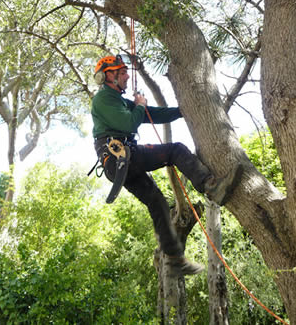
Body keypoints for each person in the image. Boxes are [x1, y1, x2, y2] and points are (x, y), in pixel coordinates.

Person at [91, 55, 243, 276]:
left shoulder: (119, 101)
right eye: (122, 72)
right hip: (120, 156)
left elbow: (151, 114)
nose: (126, 76)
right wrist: (139, 106)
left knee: (158, 203)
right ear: (108, 76)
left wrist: (181, 112)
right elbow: (130, 122)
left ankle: (173, 259)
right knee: (175, 150)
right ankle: (211, 186)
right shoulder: (103, 98)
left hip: (122, 163)